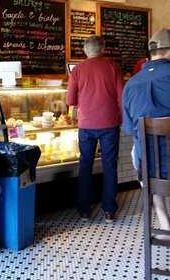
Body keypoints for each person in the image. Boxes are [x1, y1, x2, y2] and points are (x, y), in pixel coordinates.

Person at [66, 36, 123, 222]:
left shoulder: (78, 70)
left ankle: (84, 210)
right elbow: (121, 96)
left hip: (87, 125)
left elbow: (70, 100)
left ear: (84, 50)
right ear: (103, 48)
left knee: (85, 165)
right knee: (110, 165)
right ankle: (109, 210)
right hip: (109, 123)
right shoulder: (113, 67)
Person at [122, 28, 170, 233]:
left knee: (139, 152)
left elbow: (130, 128)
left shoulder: (131, 84)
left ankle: (165, 225)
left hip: (150, 170)